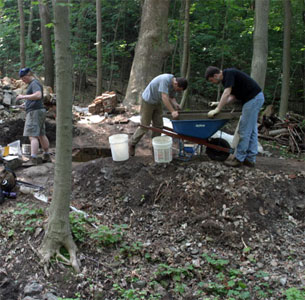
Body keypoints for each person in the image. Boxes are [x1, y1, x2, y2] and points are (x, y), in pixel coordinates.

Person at [205, 66, 264, 167]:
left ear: (215, 75)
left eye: (212, 80)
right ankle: (250, 159)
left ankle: (239, 159)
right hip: (255, 99)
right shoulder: (227, 79)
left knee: (244, 130)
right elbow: (233, 97)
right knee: (252, 130)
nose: (213, 82)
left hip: (253, 100)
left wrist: (218, 109)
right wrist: (219, 103)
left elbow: (227, 93)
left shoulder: (229, 73)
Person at [129, 74, 188, 156]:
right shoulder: (165, 80)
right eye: (178, 89)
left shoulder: (174, 85)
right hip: (148, 101)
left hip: (157, 102)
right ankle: (132, 143)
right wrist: (172, 111)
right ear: (176, 84)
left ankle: (155, 147)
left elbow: (171, 97)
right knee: (145, 126)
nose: (177, 91)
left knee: (158, 126)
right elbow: (164, 97)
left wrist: (175, 104)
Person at [16, 67, 51, 166]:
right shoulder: (34, 83)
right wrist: (26, 104)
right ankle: (46, 154)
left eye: (23, 78)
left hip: (34, 112)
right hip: (39, 110)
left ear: (28, 75)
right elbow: (35, 98)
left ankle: (34, 158)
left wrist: (23, 97)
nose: (23, 80)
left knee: (32, 136)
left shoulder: (34, 83)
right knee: (41, 134)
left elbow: (38, 95)